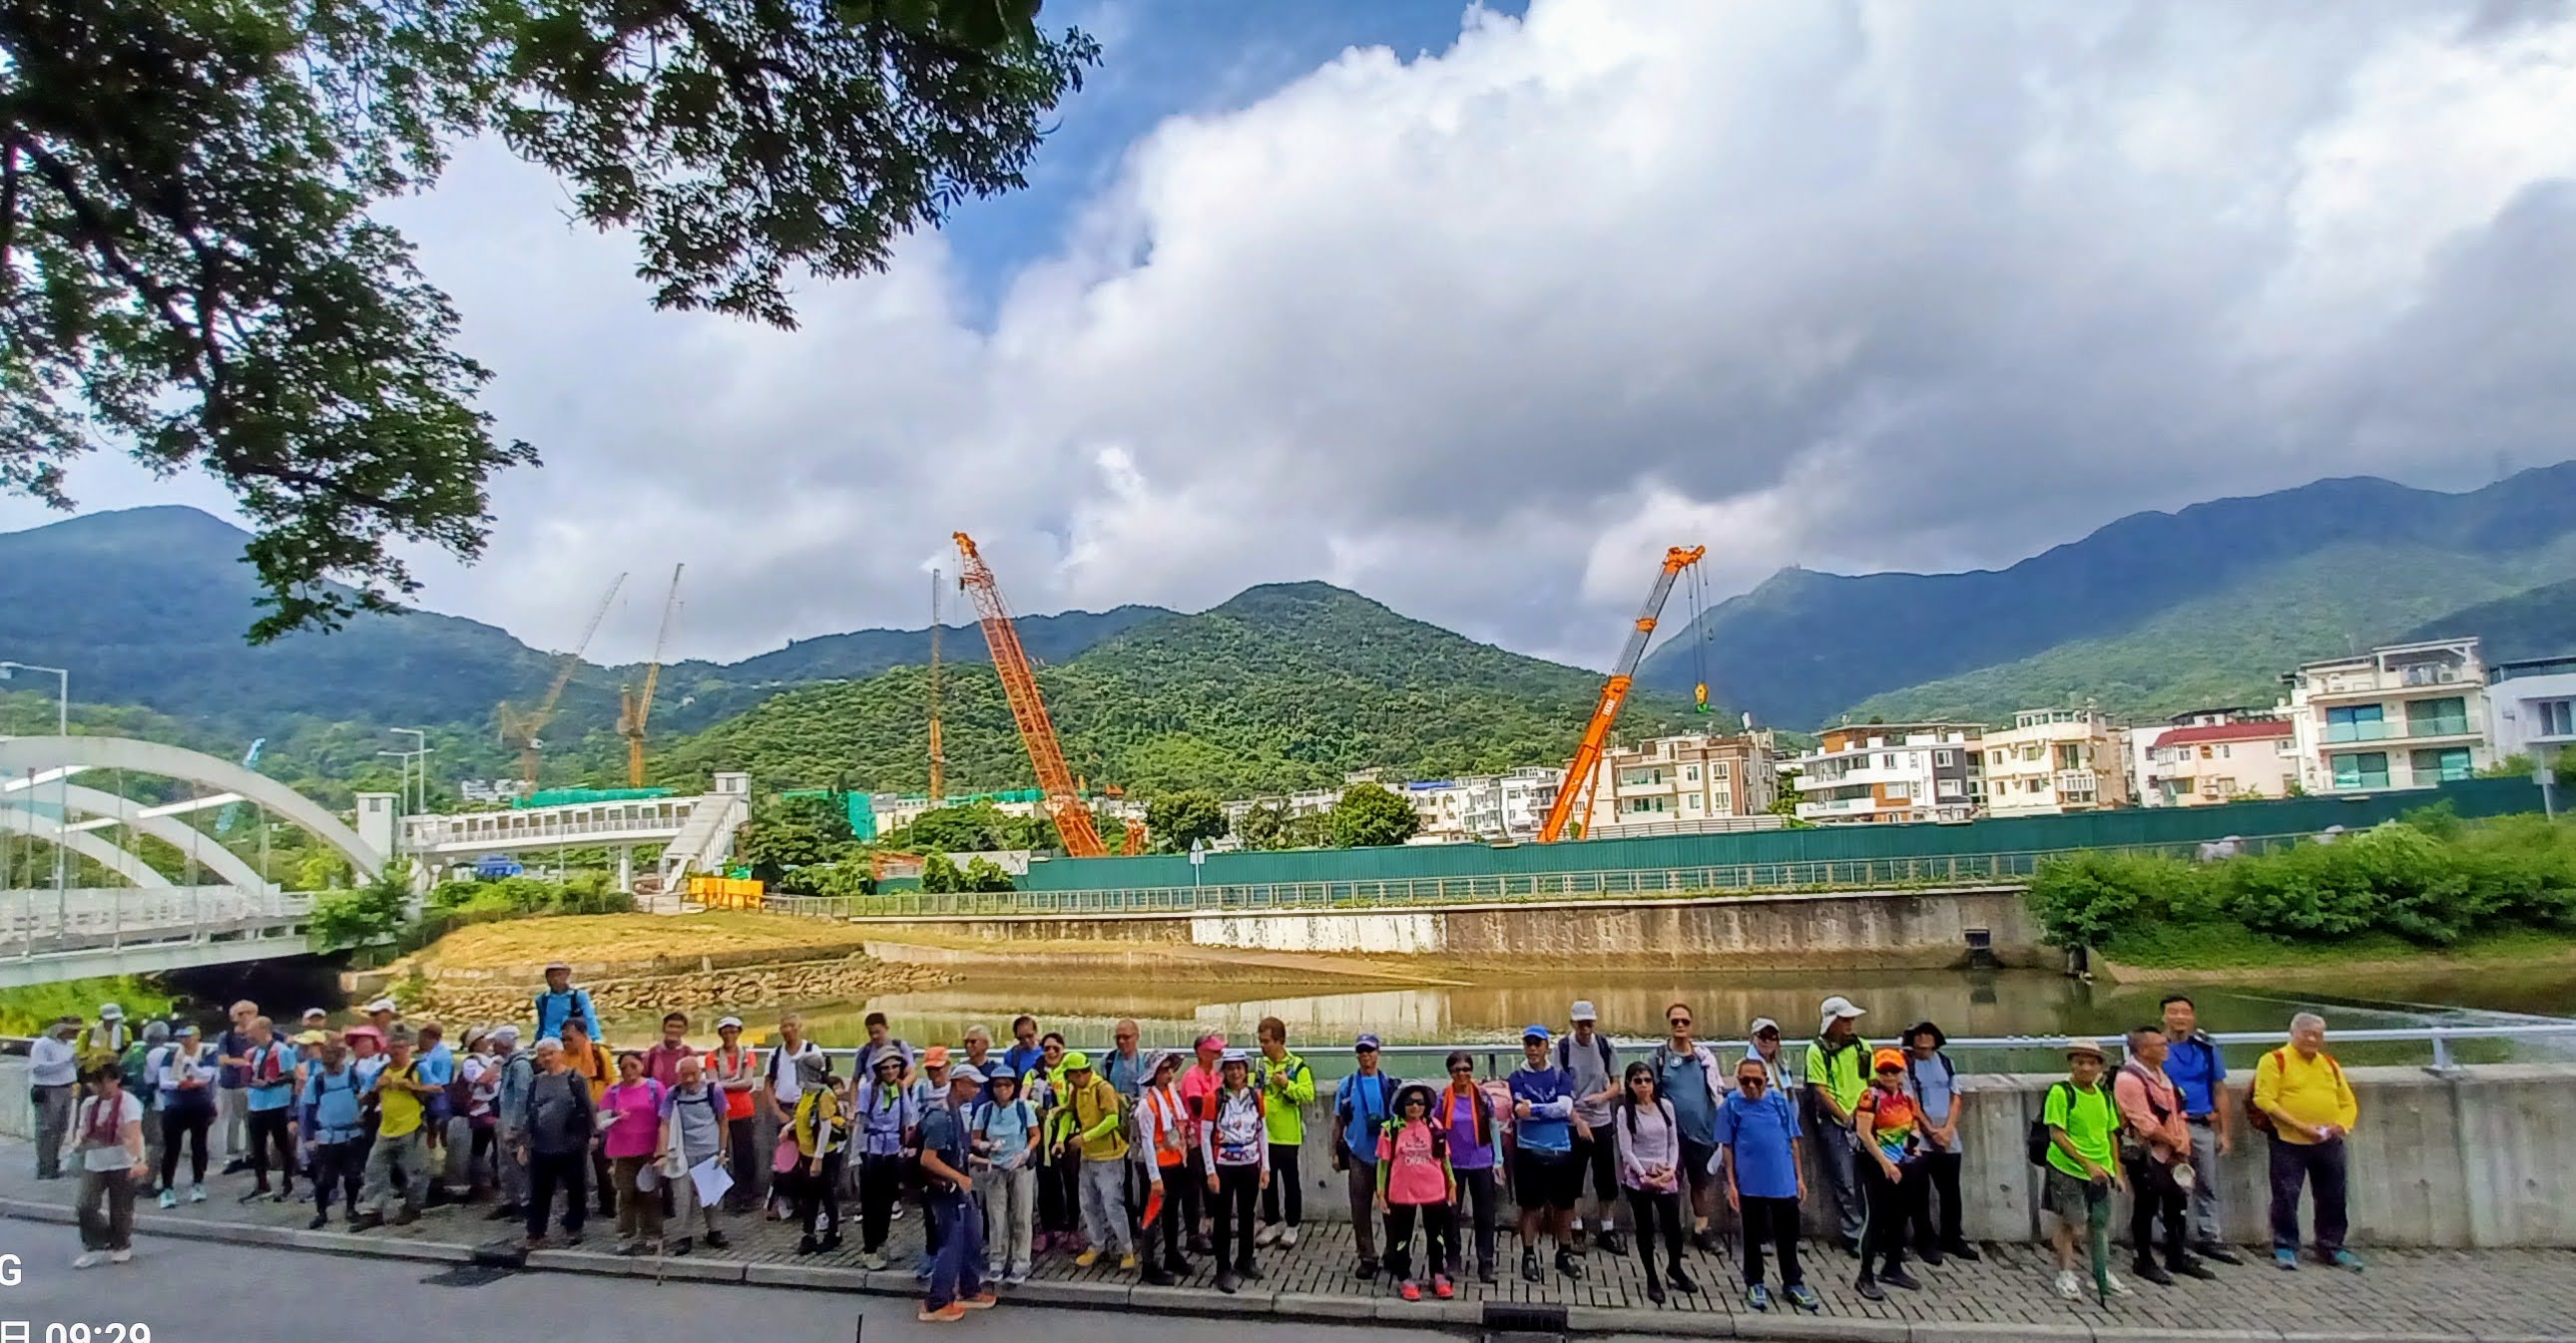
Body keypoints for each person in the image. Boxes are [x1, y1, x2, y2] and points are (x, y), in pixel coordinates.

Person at [2254, 1012, 2361, 1272]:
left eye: (2317, 1035)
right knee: (2286, 1194)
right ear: (2293, 1033)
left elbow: (2347, 1101)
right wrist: (2300, 1126)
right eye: (2306, 1034)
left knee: (2333, 1194)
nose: (2312, 1039)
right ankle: (2285, 1245)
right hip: (2288, 1139)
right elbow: (2264, 1099)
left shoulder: (2329, 1063)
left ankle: (2331, 1246)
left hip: (2327, 1140)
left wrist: (2341, 1125)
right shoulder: (2275, 1060)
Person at [1716, 1055, 1818, 1313]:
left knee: (1788, 1236)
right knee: (1752, 1236)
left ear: (1765, 1079)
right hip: (1750, 1182)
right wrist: (1731, 1184)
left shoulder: (1778, 1101)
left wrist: (1799, 1177)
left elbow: (1793, 1140)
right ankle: (1754, 1282)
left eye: (1756, 1080)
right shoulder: (1731, 1104)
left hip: (1782, 1181)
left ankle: (1793, 1282)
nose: (1751, 1086)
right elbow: (1726, 1146)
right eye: (1745, 1081)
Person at [2114, 1025, 2214, 1286]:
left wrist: (2181, 1143)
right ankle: (2143, 1259)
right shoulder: (2129, 1080)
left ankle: (2176, 1255)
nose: (2166, 1048)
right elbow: (2144, 1123)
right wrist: (2174, 1142)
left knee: (2176, 1202)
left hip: (2171, 1151)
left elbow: (2176, 1111)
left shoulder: (2160, 1073)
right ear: (2144, 1049)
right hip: (2146, 1153)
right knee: (2146, 1205)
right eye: (2161, 1045)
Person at [2042, 1038, 2130, 1302]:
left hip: (2100, 1170)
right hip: (2067, 1167)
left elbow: (2111, 1134)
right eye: (2080, 1062)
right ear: (2071, 1064)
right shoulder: (2061, 1092)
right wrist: (2086, 1163)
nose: (2086, 1068)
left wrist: (2116, 1170)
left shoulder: (2104, 1096)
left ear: (2100, 1067)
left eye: (2091, 1063)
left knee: (2099, 1223)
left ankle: (2101, 1272)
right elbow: (2057, 1134)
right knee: (2072, 1222)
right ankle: (2065, 1273)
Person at [2159, 994, 2243, 1264]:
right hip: (2169, 1128)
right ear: (2163, 1016)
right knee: (2170, 1185)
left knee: (2206, 1184)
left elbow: (2219, 1090)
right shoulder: (2155, 1047)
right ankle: (2172, 1237)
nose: (2179, 1017)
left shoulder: (2206, 1048)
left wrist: (2224, 1133)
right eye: (2173, 1012)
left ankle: (2210, 1238)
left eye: (2185, 1012)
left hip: (2202, 1125)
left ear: (2193, 1016)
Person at [1608, 1061, 1695, 1303]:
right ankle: (1652, 1278)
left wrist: (1670, 1169)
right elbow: (1626, 1149)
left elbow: (1673, 1142)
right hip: (1640, 1176)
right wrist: (1643, 1174)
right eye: (1638, 1081)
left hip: (1665, 1172)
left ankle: (1675, 1267)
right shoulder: (1625, 1112)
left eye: (1647, 1080)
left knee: (1673, 1228)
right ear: (1630, 1084)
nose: (1644, 1085)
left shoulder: (1665, 1106)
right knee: (1645, 1229)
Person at [917, 1065, 996, 1322]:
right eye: (973, 1085)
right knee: (951, 1243)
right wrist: (960, 1177)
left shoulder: (956, 1113)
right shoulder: (940, 1117)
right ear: (958, 1083)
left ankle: (969, 1289)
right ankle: (936, 1302)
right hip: (945, 1190)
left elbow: (958, 1152)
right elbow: (928, 1159)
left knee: (972, 1235)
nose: (977, 1090)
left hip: (959, 1188)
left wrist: (977, 1161)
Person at [1648, 1002, 1728, 1253]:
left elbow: (1716, 1092)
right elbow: (1648, 1093)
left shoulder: (1705, 1058)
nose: (1680, 1025)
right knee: (1670, 1184)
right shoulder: (1658, 1058)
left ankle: (1702, 1230)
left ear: (1692, 1025)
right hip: (1670, 1136)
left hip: (1703, 1133)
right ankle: (1673, 1231)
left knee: (1701, 1185)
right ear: (1669, 1025)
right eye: (1675, 1021)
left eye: (1684, 1021)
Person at [1509, 1024, 1585, 1283]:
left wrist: (1535, 1109)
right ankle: (1529, 1254)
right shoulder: (1516, 1077)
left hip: (1561, 1148)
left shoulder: (1561, 1075)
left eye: (1537, 1044)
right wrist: (1544, 1109)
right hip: (1529, 1149)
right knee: (1530, 1208)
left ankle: (1564, 1252)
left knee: (1564, 1206)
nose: (1532, 1048)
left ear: (1546, 1047)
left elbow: (1564, 1108)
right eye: (1528, 1043)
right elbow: (1520, 1112)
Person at [1850, 1047, 1926, 1300]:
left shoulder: (1906, 1097)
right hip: (1873, 1164)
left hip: (1901, 1162)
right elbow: (1863, 1133)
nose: (1889, 1075)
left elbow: (1913, 1123)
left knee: (1900, 1216)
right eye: (1884, 1071)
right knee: (1874, 1220)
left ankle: (1893, 1267)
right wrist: (1884, 1163)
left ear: (1901, 1072)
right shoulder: (1870, 1097)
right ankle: (1865, 1276)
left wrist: (1912, 1147)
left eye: (1894, 1070)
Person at [1899, 1020, 1978, 1263]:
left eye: (1928, 1039)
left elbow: (1956, 1096)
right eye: (1919, 1039)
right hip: (1920, 1137)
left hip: (1948, 1136)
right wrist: (1932, 1131)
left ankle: (1952, 1237)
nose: (1923, 1045)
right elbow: (1910, 1102)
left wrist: (1948, 1129)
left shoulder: (1945, 1062)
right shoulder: (1906, 1066)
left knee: (1951, 1190)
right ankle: (1925, 1241)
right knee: (1919, 1192)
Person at [1375, 1082, 1456, 1302]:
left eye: (1420, 1102)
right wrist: (1380, 1192)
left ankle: (1438, 1274)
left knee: (1436, 1235)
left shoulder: (1434, 1126)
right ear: (1402, 1105)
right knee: (1402, 1236)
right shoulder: (1391, 1129)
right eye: (1410, 1102)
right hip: (1402, 1191)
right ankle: (1404, 1276)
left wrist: (1452, 1183)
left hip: (1434, 1189)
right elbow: (1383, 1165)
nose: (1415, 1107)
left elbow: (1444, 1158)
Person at [1055, 1051, 1135, 1270]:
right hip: (1088, 1156)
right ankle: (1097, 1244)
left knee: (1113, 1204)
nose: (1069, 1080)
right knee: (1088, 1203)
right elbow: (1068, 1114)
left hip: (1109, 1157)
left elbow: (1112, 1119)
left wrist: (1086, 1137)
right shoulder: (1076, 1090)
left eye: (1070, 1075)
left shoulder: (1103, 1088)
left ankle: (1126, 1249)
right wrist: (1061, 1139)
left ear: (1080, 1073)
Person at [1199, 1048, 1270, 1294]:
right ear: (1224, 1072)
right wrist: (1210, 1171)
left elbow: (1262, 1131)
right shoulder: (1213, 1099)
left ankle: (1245, 1259)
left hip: (1250, 1163)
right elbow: (1205, 1136)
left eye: (1239, 1068)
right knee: (1222, 1218)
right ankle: (1223, 1267)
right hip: (1224, 1165)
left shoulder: (1256, 1097)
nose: (1235, 1073)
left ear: (1246, 1071)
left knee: (1248, 1214)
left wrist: (1265, 1166)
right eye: (1230, 1068)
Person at [1803, 996, 1870, 1253]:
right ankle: (1855, 1235)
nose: (1850, 1023)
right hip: (1834, 1123)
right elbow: (1820, 1091)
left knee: (1869, 1180)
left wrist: (1863, 1112)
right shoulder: (1816, 1051)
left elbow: (1870, 1082)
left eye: (1850, 1019)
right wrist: (1845, 1117)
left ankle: (1873, 1233)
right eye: (1844, 1019)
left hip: (1864, 1120)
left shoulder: (1862, 1046)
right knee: (1845, 1181)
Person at [1557, 1001, 1624, 1256]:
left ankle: (1607, 1228)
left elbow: (1616, 1084)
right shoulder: (1563, 1048)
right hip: (1574, 1122)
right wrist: (1577, 1119)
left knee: (1606, 1178)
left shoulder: (1605, 1046)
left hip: (1601, 1121)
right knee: (1573, 1179)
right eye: (1581, 1023)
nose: (1585, 1028)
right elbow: (1559, 1088)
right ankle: (1576, 1227)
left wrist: (1602, 1097)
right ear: (1573, 1023)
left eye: (1589, 1023)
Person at [354, 1027, 437, 1230]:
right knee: (374, 1169)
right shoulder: (381, 1070)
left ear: (408, 1049)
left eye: (400, 1047)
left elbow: (438, 1088)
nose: (396, 1052)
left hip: (412, 1126)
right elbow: (362, 1097)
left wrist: (413, 1086)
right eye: (392, 1047)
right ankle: (372, 1211)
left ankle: (413, 1207)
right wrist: (376, 1088)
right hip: (386, 1128)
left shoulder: (419, 1068)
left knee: (415, 1170)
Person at [520, 1038, 598, 1249]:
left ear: (560, 1054)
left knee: (575, 1187)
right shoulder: (536, 1081)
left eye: (550, 1053)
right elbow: (530, 1112)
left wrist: (593, 1133)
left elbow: (587, 1106)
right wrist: (524, 1141)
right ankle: (536, 1232)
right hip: (542, 1145)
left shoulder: (574, 1078)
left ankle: (574, 1228)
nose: (547, 1058)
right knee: (539, 1191)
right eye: (542, 1055)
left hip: (571, 1143)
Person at [1331, 1032, 1398, 1277]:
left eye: (1369, 1050)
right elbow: (1338, 1121)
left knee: (1392, 1208)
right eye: (1361, 1051)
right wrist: (1335, 1152)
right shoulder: (1347, 1085)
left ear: (1378, 1053)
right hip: (1358, 1154)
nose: (1365, 1055)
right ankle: (1367, 1256)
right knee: (1360, 1210)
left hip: (1387, 1157)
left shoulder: (1390, 1085)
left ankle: (1393, 1252)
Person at [1435, 1050, 1504, 1284]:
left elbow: (1493, 1126)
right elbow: (1436, 1128)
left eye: (1466, 1069)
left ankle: (1486, 1262)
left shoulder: (1482, 1097)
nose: (1462, 1074)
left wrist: (1498, 1159)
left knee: (1484, 1214)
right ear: (1450, 1072)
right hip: (1453, 1163)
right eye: (1457, 1070)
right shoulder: (1443, 1099)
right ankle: (1453, 1259)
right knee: (1451, 1214)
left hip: (1481, 1160)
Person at [71, 1061, 146, 1269]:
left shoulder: (128, 1102)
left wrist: (139, 1160)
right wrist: (78, 1142)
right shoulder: (89, 1104)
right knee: (85, 1205)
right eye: (95, 1084)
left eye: (104, 1083)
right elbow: (81, 1129)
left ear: (116, 1081)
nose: (99, 1088)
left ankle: (121, 1244)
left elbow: (134, 1133)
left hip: (122, 1160)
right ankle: (97, 1243)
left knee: (120, 1208)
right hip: (95, 1160)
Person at [974, 1066, 1041, 1284]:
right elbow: (975, 1137)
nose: (1002, 1089)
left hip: (1019, 1168)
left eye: (1007, 1085)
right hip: (995, 1168)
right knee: (996, 1216)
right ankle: (997, 1261)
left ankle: (1021, 1261)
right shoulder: (985, 1110)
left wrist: (1025, 1152)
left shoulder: (1023, 1108)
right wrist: (984, 1145)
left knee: (1021, 1215)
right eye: (997, 1085)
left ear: (1014, 1086)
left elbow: (1035, 1134)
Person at [658, 1054, 732, 1253]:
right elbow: (664, 1123)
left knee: (713, 1196)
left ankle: (715, 1230)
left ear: (700, 1072)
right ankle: (684, 1236)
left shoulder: (713, 1091)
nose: (689, 1079)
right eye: (684, 1075)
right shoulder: (673, 1094)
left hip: (709, 1150)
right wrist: (663, 1152)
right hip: (682, 1154)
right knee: (682, 1197)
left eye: (693, 1074)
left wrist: (722, 1150)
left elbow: (723, 1120)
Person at [1134, 1050, 1196, 1285]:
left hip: (1175, 1162)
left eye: (1170, 1069)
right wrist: (1155, 1178)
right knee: (1151, 1217)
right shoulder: (1148, 1104)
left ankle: (1171, 1254)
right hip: (1157, 1167)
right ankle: (1148, 1266)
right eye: (1163, 1070)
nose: (1169, 1074)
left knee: (1171, 1213)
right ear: (1154, 1074)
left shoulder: (1171, 1095)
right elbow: (1147, 1142)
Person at [852, 1050, 916, 1268]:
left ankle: (882, 1240)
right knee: (871, 1202)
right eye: (886, 1068)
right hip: (872, 1151)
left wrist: (907, 1144)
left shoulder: (899, 1088)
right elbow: (860, 1121)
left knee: (888, 1199)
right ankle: (869, 1248)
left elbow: (907, 1117)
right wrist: (856, 1154)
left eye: (894, 1067)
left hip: (892, 1149)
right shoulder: (868, 1090)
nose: (890, 1071)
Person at [1253, 1016, 1312, 1249]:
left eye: (1267, 1041)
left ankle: (1292, 1224)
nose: (1263, 1046)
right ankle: (1271, 1222)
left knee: (1290, 1181)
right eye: (1261, 1041)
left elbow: (1308, 1094)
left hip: (1287, 1134)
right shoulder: (1259, 1066)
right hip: (1264, 1134)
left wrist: (1287, 1085)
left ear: (1280, 1041)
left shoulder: (1297, 1066)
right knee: (1267, 1181)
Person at [600, 1051, 668, 1254]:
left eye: (633, 1065)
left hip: (649, 1150)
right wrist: (615, 1117)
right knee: (626, 1194)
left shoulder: (655, 1088)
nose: (628, 1071)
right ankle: (625, 1234)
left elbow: (665, 1118)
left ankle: (652, 1234)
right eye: (623, 1067)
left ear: (641, 1066)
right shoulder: (612, 1092)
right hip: (622, 1152)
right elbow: (601, 1120)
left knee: (649, 1193)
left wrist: (663, 1149)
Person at [761, 1012, 824, 1219]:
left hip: (807, 1111)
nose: (788, 1030)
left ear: (799, 1027)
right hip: (784, 1110)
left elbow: (820, 1081)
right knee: (785, 1161)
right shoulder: (776, 1054)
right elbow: (768, 1084)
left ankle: (811, 1203)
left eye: (791, 1026)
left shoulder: (811, 1050)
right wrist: (777, 1112)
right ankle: (786, 1202)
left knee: (808, 1159)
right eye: (784, 1026)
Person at [149, 1023, 217, 1205]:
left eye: (188, 1036)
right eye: (181, 1037)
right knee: (171, 1148)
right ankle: (167, 1188)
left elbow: (206, 1077)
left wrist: (191, 1064)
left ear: (197, 1037)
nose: (184, 1040)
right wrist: (181, 1084)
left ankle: (198, 1183)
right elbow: (164, 1081)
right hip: (175, 1105)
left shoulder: (207, 1053)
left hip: (200, 1105)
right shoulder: (171, 1055)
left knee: (199, 1145)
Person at [301, 1040, 366, 1228]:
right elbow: (308, 1110)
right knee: (324, 1180)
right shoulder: (317, 1081)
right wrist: (309, 1137)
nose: (329, 1065)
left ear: (341, 1056)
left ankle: (351, 1209)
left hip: (352, 1134)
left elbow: (369, 1096)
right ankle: (321, 1213)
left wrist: (364, 1115)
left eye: (332, 1058)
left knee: (353, 1177)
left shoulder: (355, 1076)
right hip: (327, 1137)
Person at [788, 1051, 849, 1255]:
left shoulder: (824, 1095)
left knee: (827, 1195)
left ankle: (833, 1233)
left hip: (823, 1155)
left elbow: (825, 1127)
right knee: (809, 1196)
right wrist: (788, 1128)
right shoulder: (808, 1092)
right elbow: (803, 1117)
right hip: (806, 1152)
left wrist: (818, 1158)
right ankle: (809, 1234)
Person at [238, 1016, 300, 1203]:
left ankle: (287, 1181)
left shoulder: (282, 1050)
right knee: (257, 1146)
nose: (248, 1035)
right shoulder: (251, 1053)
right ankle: (262, 1183)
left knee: (282, 1144)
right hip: (256, 1104)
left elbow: (291, 1075)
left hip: (276, 1103)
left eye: (252, 1031)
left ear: (264, 1029)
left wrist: (271, 1083)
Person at [559, 1017, 617, 1218]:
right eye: (563, 1039)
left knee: (601, 1160)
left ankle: (608, 1203)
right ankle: (578, 1207)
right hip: (571, 1115)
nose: (566, 1043)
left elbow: (611, 1082)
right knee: (574, 1163)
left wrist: (607, 1110)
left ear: (583, 1035)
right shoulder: (562, 1057)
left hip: (598, 1111)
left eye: (570, 1038)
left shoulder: (599, 1054)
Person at [706, 1017, 762, 1212]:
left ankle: (747, 1194)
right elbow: (713, 1085)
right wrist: (735, 1083)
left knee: (745, 1154)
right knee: (722, 1153)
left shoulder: (747, 1055)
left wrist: (723, 1084)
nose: (729, 1035)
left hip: (743, 1110)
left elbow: (748, 1082)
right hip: (721, 1111)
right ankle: (726, 1195)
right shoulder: (711, 1057)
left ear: (739, 1032)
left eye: (733, 1031)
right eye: (726, 1032)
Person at [1177, 1032, 1225, 1256]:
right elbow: (1198, 1107)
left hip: (1212, 1137)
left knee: (1210, 1185)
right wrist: (1216, 1103)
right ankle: (1193, 1234)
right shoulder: (1192, 1076)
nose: (1218, 1053)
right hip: (1194, 1139)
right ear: (1201, 1052)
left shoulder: (1214, 1075)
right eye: (1213, 1050)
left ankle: (1212, 1226)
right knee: (1193, 1187)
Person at [488, 1026, 533, 1221]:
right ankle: (510, 1199)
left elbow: (522, 1096)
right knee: (505, 1163)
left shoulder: (520, 1066)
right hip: (504, 1118)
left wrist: (515, 1126)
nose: (493, 1046)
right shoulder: (508, 1064)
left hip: (513, 1121)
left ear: (504, 1044)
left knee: (518, 1164)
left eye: (495, 1042)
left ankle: (524, 1202)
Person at [30, 1016, 82, 1180]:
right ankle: (45, 1167)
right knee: (47, 1129)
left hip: (66, 1088)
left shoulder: (68, 1045)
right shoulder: (43, 1044)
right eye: (73, 1030)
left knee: (61, 1128)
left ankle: (52, 1163)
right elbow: (38, 1068)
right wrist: (66, 1063)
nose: (76, 1033)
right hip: (48, 1089)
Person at [410, 1020, 456, 1204]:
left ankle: (436, 1190)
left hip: (437, 1106)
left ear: (429, 1036)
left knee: (435, 1147)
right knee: (429, 1149)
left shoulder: (441, 1056)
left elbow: (441, 1085)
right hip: (430, 1105)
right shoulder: (429, 1054)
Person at [121, 1020, 167, 1194]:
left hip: (131, 1102)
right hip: (152, 1103)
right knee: (155, 1142)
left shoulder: (134, 1053)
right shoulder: (161, 1053)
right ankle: (145, 1181)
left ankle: (129, 1180)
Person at [214, 1000, 257, 1171]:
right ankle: (232, 1156)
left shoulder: (259, 1034)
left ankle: (251, 1154)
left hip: (253, 1085)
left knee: (251, 1120)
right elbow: (223, 1059)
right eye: (240, 1013)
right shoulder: (227, 1036)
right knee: (232, 1120)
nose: (245, 1016)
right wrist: (249, 1062)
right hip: (231, 1084)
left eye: (249, 1012)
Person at [531, 963, 600, 1041]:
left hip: (571, 1038)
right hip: (549, 1038)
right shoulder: (542, 999)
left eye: (559, 974)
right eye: (551, 976)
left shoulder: (579, 996)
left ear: (567, 976)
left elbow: (589, 1018)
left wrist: (595, 1038)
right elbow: (542, 1025)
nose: (555, 979)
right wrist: (537, 1040)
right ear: (547, 979)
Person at [1741, 1018, 1802, 1092]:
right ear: (1752, 1039)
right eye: (1762, 1036)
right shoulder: (1744, 1067)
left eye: (1772, 1037)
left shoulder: (1782, 1065)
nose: (1767, 1041)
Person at [855, 1011, 914, 1082]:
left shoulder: (900, 1046)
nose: (874, 1036)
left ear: (886, 1028)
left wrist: (902, 1086)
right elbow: (855, 1080)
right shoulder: (864, 1051)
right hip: (873, 1088)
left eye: (877, 1032)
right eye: (871, 1033)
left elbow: (912, 1074)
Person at [643, 1011, 696, 1087]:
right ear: (663, 1028)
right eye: (671, 1026)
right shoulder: (652, 1054)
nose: (674, 1030)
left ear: (685, 1030)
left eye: (678, 1027)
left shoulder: (688, 1054)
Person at [1003, 1016, 1045, 1081]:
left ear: (1036, 1031)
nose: (1026, 1041)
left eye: (1029, 1036)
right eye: (1020, 1038)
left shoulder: (1049, 1050)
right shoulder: (1011, 1056)